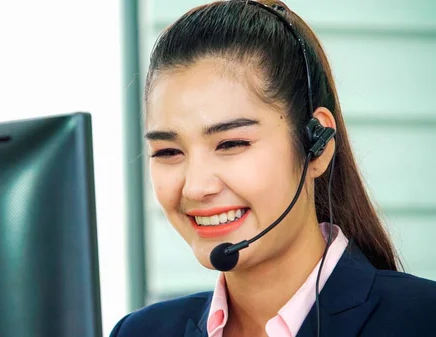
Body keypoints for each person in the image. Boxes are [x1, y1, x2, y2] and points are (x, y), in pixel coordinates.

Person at [110, 1, 436, 337]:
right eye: (168, 151)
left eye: (231, 144)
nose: (195, 187)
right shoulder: (140, 331)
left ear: (316, 144)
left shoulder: (423, 320)